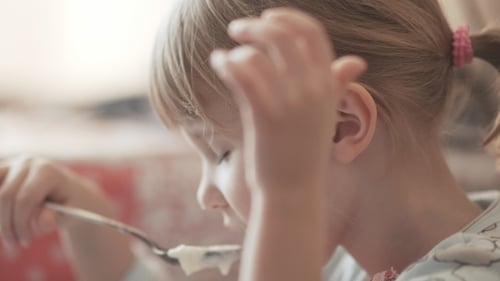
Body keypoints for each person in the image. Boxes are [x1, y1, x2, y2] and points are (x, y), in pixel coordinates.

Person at [1, 1, 500, 281]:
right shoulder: (345, 260)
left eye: (222, 152)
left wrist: (287, 195)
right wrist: (85, 216)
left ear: (339, 126)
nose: (205, 193)